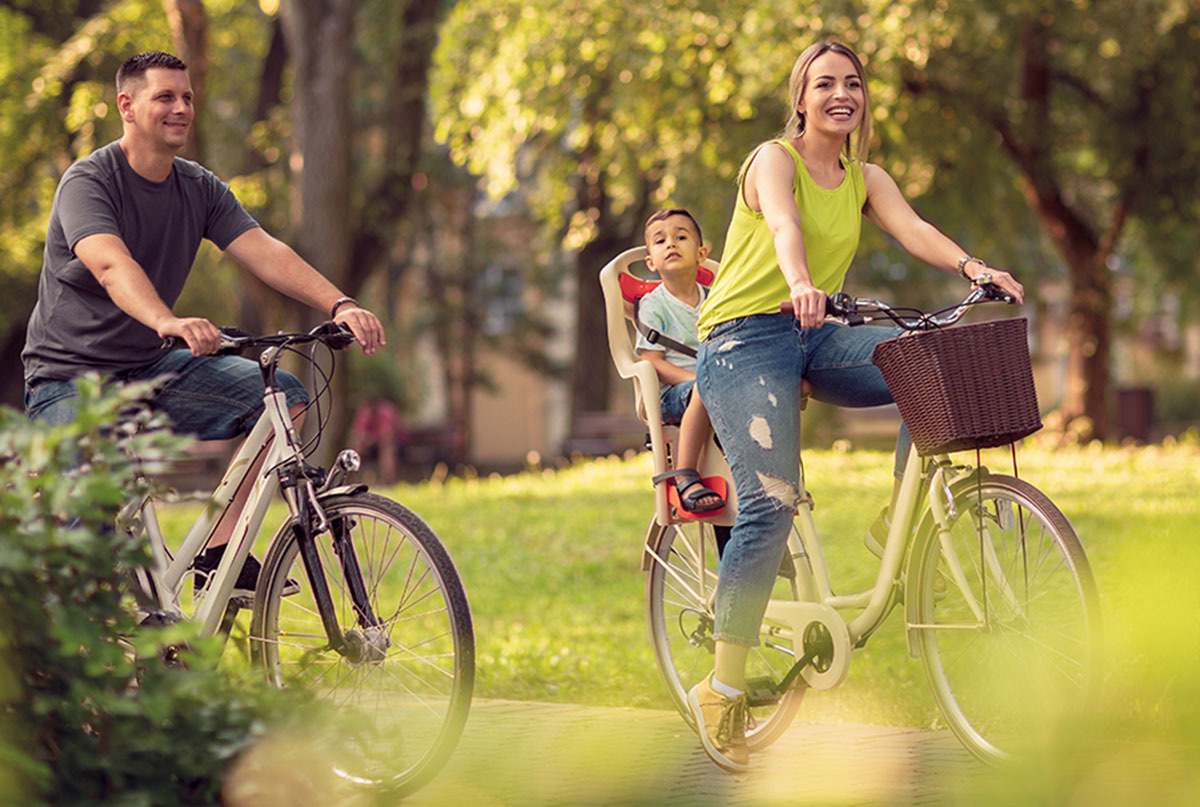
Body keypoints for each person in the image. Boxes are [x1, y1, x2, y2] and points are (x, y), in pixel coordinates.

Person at [687, 40, 1025, 772]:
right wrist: (803, 279)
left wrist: (974, 266)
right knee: (769, 505)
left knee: (929, 365)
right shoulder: (773, 159)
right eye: (825, 84)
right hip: (744, 339)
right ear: (801, 98)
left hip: (813, 332)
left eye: (853, 84)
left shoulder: (865, 175)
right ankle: (721, 687)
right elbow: (784, 226)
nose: (841, 94)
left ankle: (893, 522)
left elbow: (913, 229)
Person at [21, 51, 386, 597]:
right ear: (127, 105)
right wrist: (166, 320)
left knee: (282, 397)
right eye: (165, 97)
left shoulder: (198, 187)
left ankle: (218, 553)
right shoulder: (89, 181)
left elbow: (264, 250)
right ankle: (64, 659)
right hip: (69, 379)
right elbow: (110, 264)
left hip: (148, 366)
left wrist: (340, 304)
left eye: (187, 97)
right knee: (89, 529)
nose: (181, 108)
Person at [635, 208, 724, 513]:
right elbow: (652, 362)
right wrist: (700, 381)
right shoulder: (654, 305)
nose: (671, 244)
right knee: (705, 388)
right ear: (651, 262)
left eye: (681, 236)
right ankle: (686, 474)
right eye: (660, 241)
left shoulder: (716, 300)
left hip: (718, 384)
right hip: (673, 395)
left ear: (701, 254)